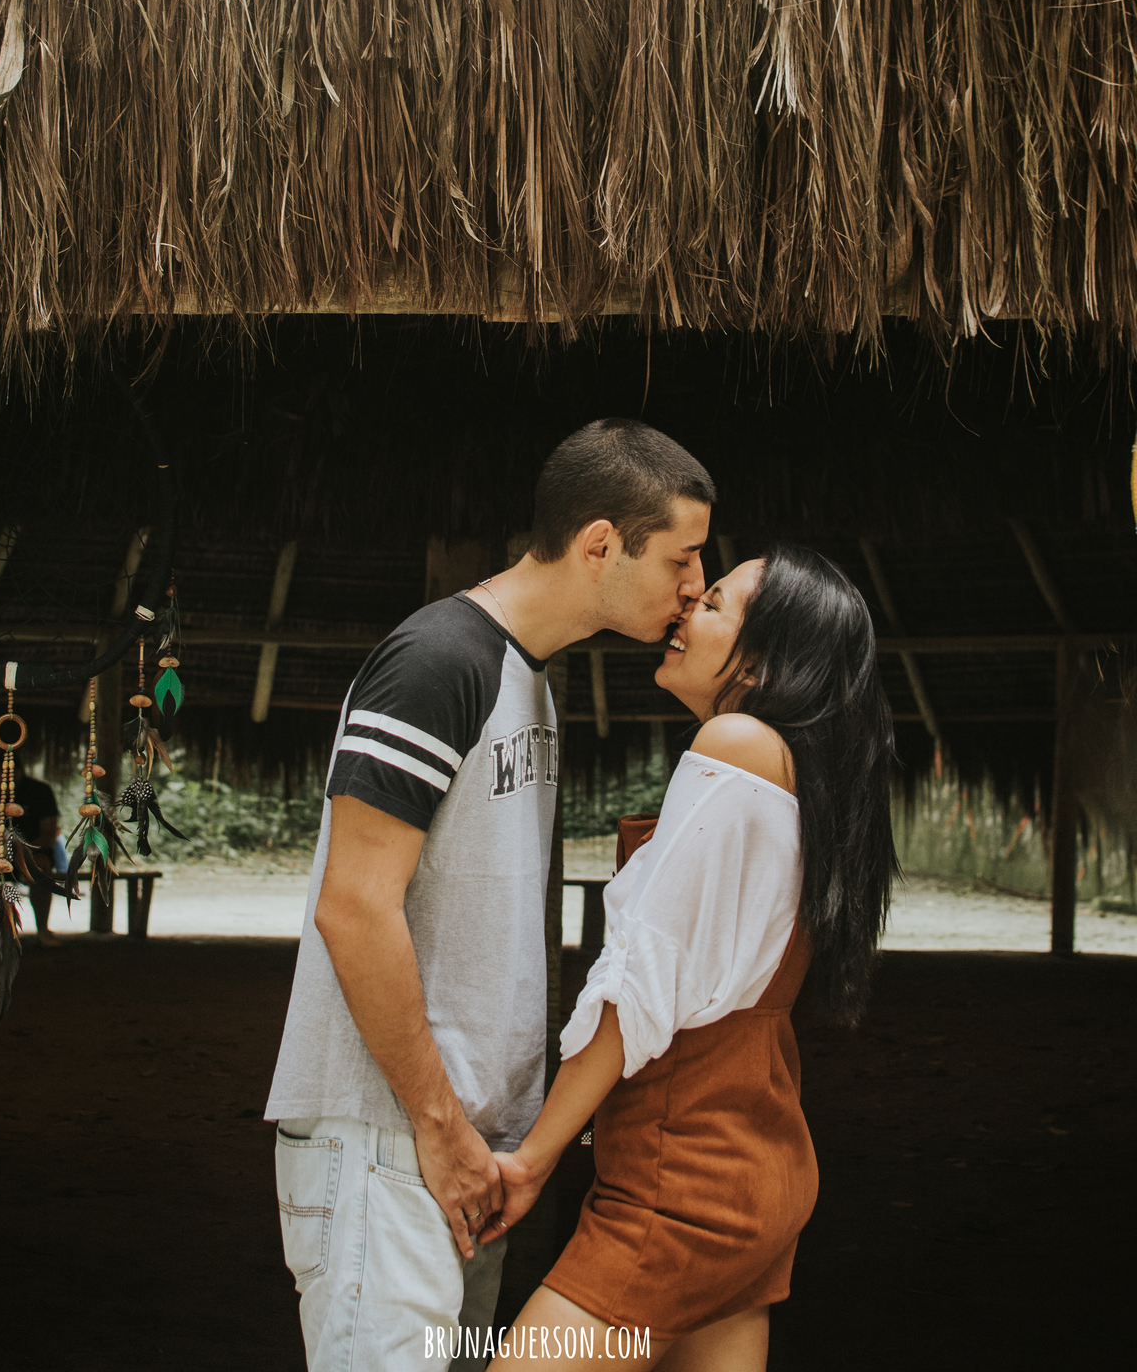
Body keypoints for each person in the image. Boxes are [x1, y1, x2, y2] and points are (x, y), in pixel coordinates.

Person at [264, 419, 717, 1371]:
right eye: (681, 556)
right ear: (601, 543)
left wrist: (483, 1142)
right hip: (387, 1141)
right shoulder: (439, 661)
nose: (695, 587)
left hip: (464, 1153)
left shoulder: (528, 682)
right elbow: (353, 908)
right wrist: (439, 1125)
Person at [482, 544, 898, 1370]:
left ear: (769, 662)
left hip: (684, 1181)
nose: (683, 613)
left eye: (713, 604)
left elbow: (638, 982)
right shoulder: (803, 773)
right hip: (759, 1166)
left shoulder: (739, 745)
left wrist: (532, 1159)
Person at [0, 753, 61, 945]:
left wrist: (23, 851)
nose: (7, 778)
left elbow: (49, 832)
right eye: (2, 774)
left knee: (42, 868)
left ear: (20, 772)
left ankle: (43, 929)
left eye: (12, 773)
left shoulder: (40, 791)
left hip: (30, 853)